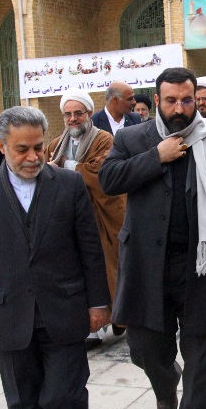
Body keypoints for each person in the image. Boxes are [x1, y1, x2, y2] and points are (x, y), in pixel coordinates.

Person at [99, 67, 206, 409]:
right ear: (157, 100)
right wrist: (156, 156)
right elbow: (109, 180)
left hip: (202, 265)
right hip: (146, 265)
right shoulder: (133, 138)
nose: (180, 108)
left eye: (187, 100)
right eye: (171, 100)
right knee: (144, 349)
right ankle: (167, 382)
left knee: (202, 356)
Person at [0, 106, 111, 409]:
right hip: (10, 315)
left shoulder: (69, 184)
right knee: (24, 407)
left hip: (64, 312)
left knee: (64, 398)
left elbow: (90, 249)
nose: (33, 157)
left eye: (38, 147)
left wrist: (98, 302)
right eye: (22, 149)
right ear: (1, 146)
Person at [45, 88, 126, 349]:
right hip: (67, 219)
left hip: (97, 217)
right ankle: (90, 329)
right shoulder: (56, 145)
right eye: (67, 114)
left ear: (89, 113)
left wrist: (66, 169)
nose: (72, 119)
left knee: (102, 269)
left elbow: (104, 172)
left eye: (78, 113)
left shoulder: (103, 139)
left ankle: (112, 317)